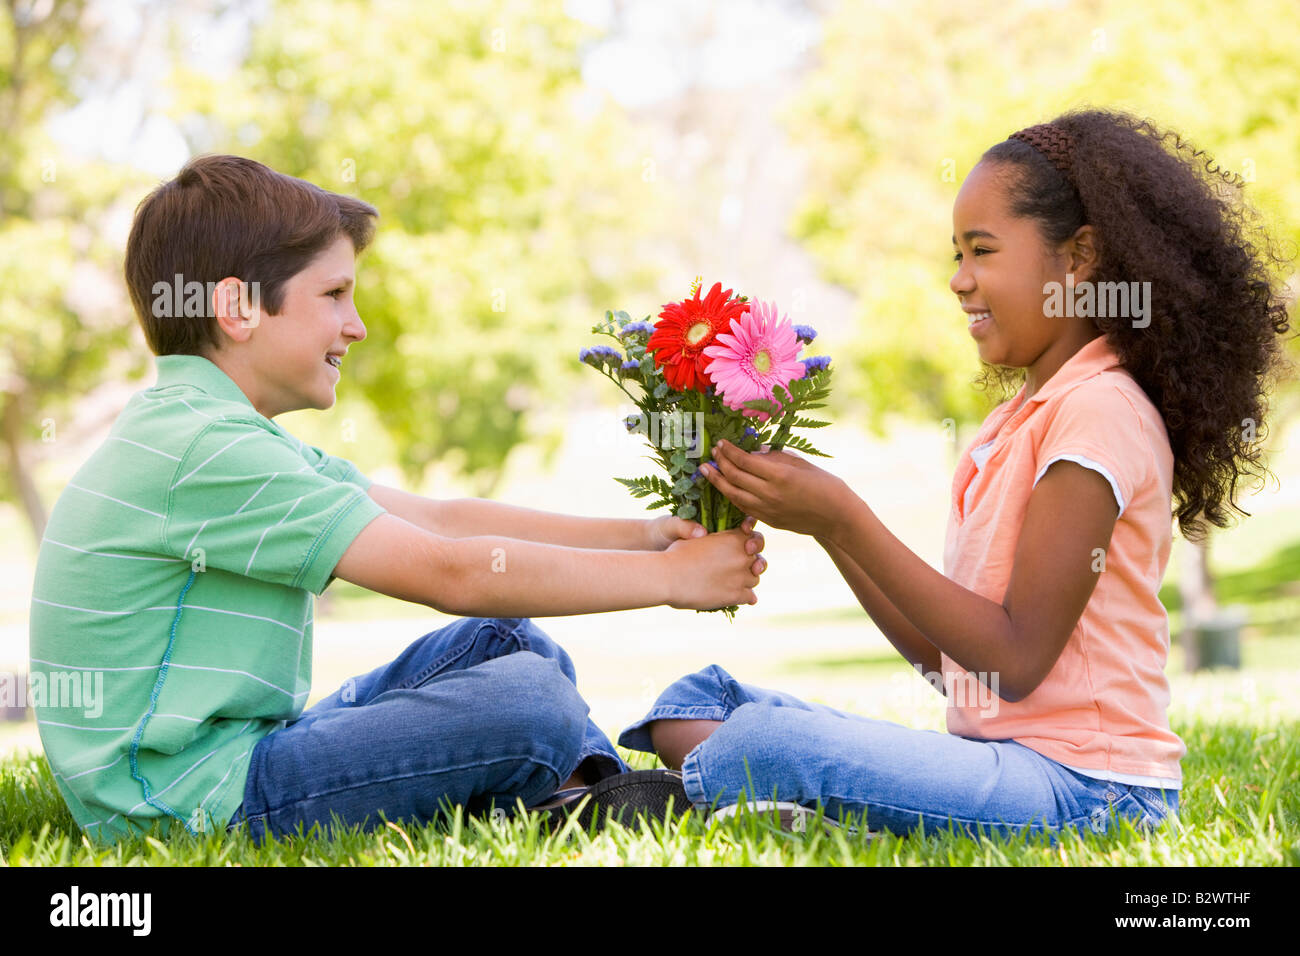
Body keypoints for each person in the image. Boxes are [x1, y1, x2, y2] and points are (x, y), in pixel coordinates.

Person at [28, 154, 766, 844]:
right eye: (334, 295)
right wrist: (672, 582)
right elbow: (451, 571)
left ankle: (585, 794)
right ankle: (589, 791)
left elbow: (442, 519)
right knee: (528, 701)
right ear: (237, 310)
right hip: (187, 800)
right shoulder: (206, 450)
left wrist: (643, 538)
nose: (357, 325)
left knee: (508, 641)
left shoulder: (215, 431)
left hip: (243, 757)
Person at [619, 108, 1293, 840]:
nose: (958, 281)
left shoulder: (1100, 411)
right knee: (697, 702)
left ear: (1080, 258)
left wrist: (845, 515)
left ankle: (712, 795)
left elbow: (1015, 659)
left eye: (981, 252)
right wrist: (825, 530)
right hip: (1001, 765)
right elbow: (954, 665)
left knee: (760, 744)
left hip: (1089, 790)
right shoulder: (1022, 417)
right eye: (956, 255)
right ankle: (789, 806)